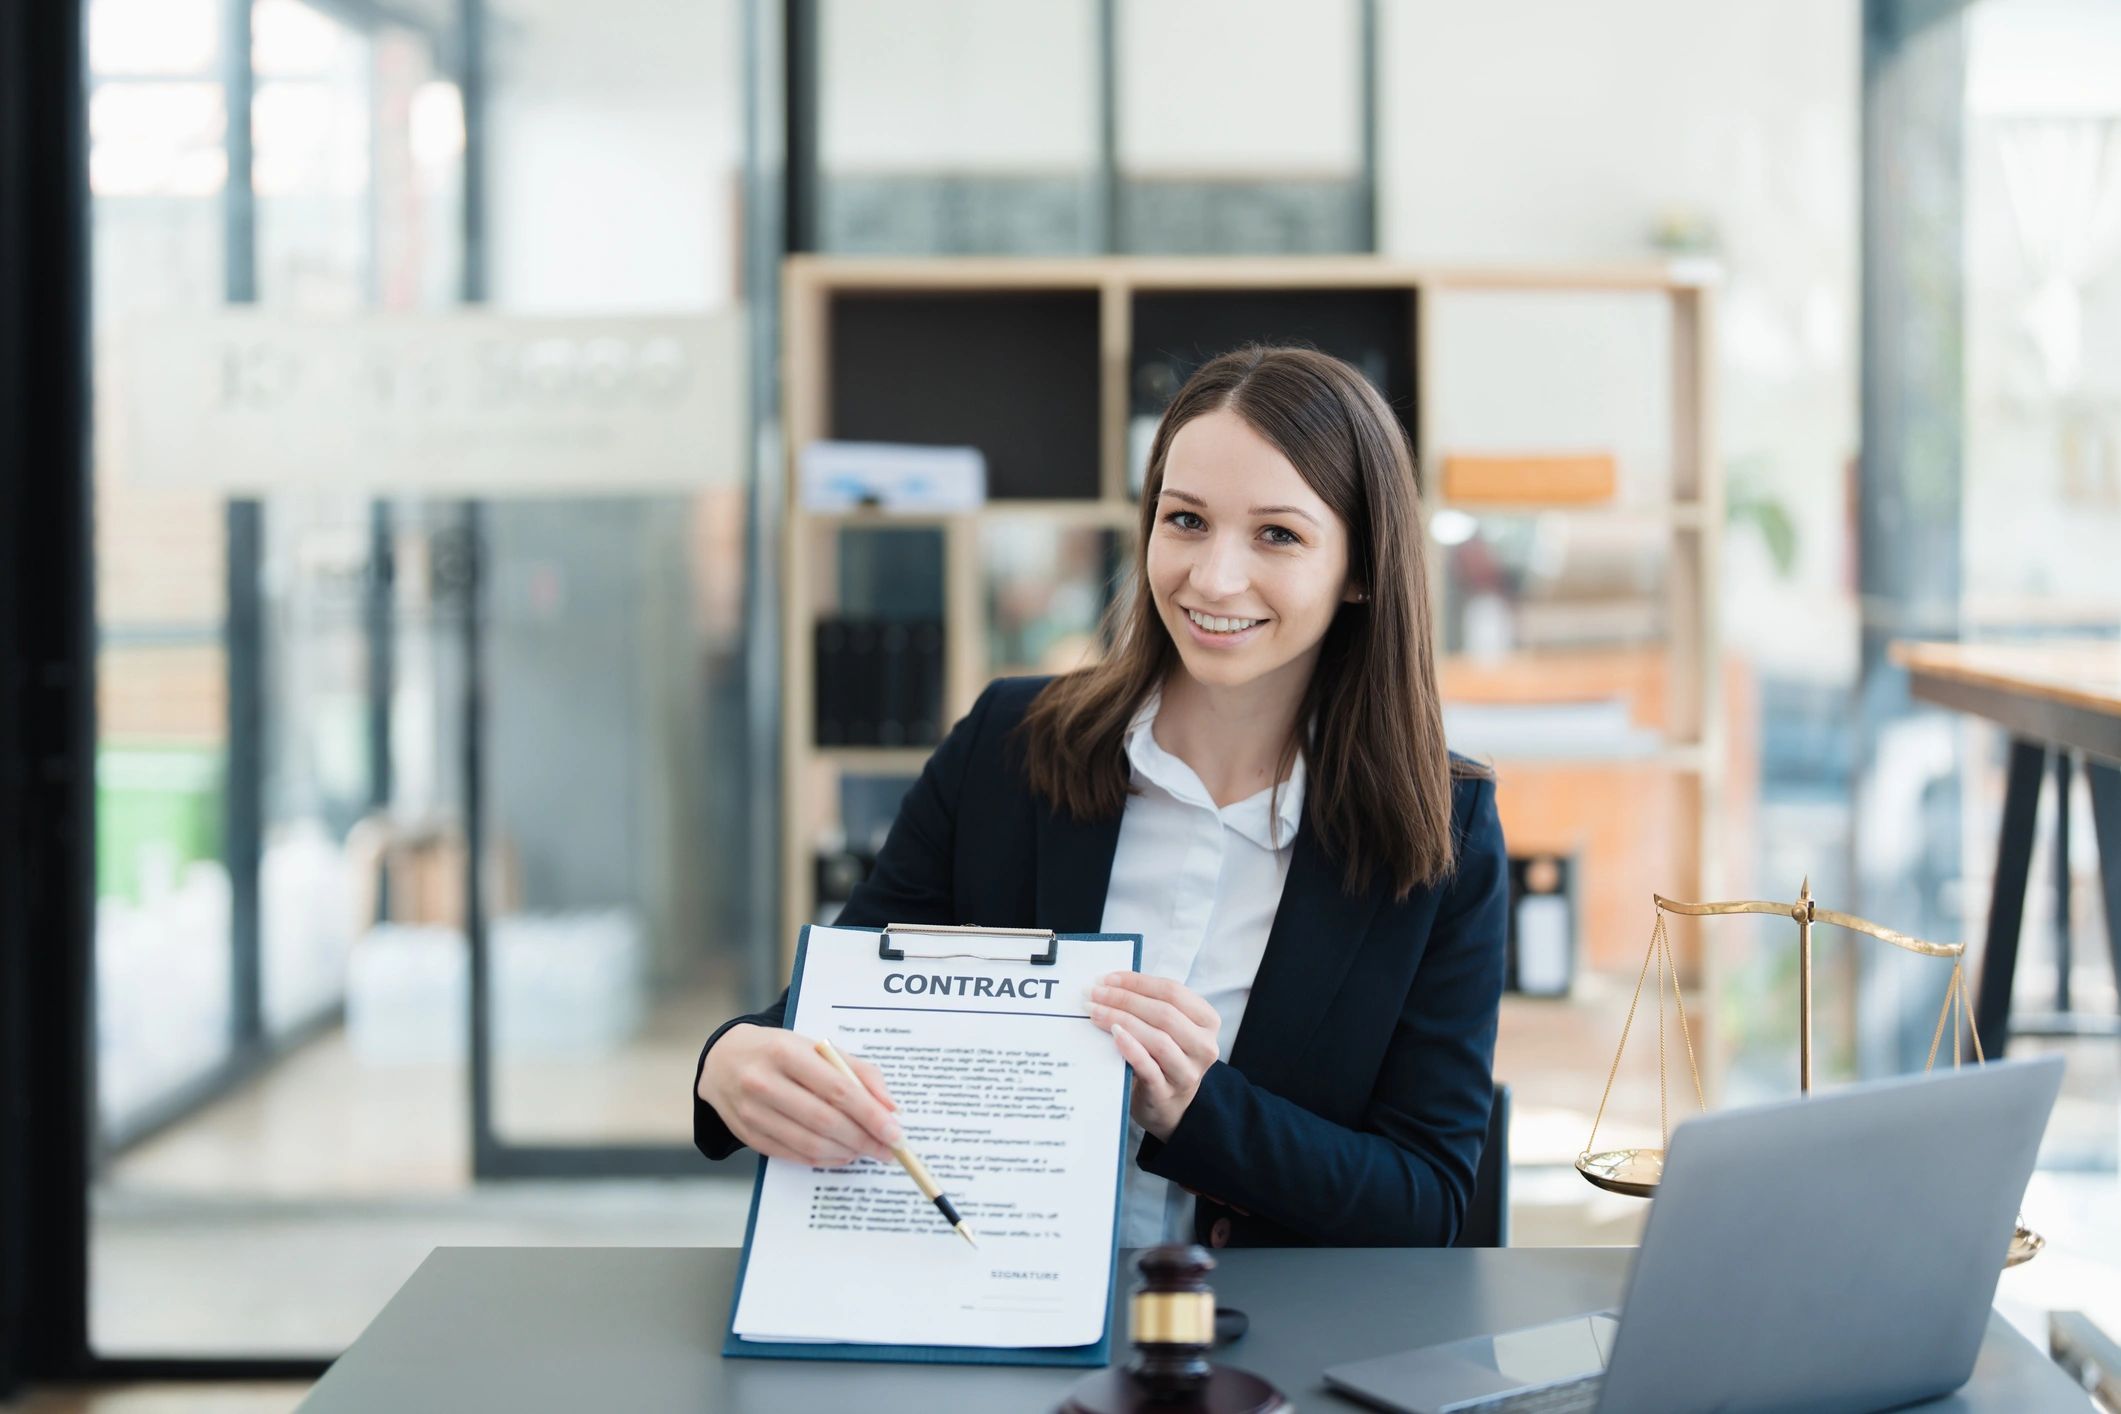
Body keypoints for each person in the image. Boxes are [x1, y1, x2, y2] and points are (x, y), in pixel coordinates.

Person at [693, 345, 1507, 1249]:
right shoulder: (1007, 748)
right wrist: (728, 1058)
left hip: (1266, 1344)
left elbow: (1426, 1200)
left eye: (1277, 534)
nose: (1212, 577)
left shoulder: (1445, 828)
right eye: (1185, 520)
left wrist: (1200, 1109)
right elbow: (837, 1008)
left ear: (1359, 568)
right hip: (979, 1293)